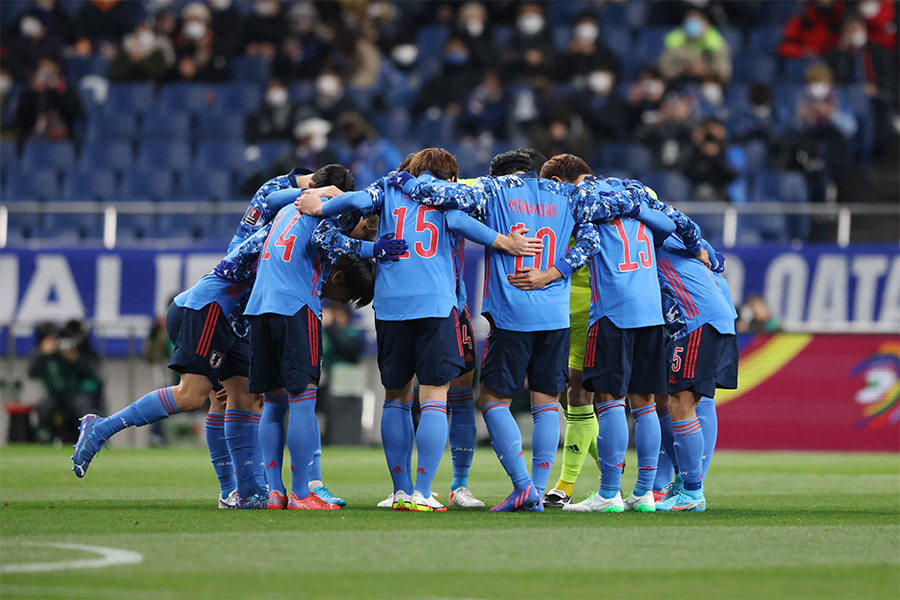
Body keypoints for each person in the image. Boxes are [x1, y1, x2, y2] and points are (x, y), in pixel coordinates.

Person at [386, 151, 661, 512]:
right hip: (557, 315)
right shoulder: (565, 194)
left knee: (492, 400)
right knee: (548, 403)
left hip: (512, 312)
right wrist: (554, 272)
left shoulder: (494, 190)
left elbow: (448, 203)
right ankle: (546, 487)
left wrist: (403, 180)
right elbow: (592, 243)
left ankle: (522, 486)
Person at [298, 148, 541, 512]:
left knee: (396, 399)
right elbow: (460, 223)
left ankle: (400, 491)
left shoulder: (390, 186)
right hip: (438, 304)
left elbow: (358, 199)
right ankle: (425, 492)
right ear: (449, 174)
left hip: (392, 306)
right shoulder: (449, 195)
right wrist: (505, 242)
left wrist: (320, 207)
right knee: (436, 398)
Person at [241, 191, 382, 510]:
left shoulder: (289, 209)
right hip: (295, 306)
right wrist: (375, 248)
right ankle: (303, 493)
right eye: (362, 231)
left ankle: (275, 492)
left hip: (260, 305)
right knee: (303, 402)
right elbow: (329, 236)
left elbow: (270, 197)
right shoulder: (343, 214)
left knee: (273, 405)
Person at [652, 239, 738, 512]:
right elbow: (713, 256)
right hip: (697, 315)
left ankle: (692, 488)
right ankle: (682, 483)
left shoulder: (660, 230)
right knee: (671, 398)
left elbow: (707, 250)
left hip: (697, 317)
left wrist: (708, 254)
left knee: (685, 401)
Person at [29, 321, 104, 444]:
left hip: (79, 393)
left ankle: (91, 441)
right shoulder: (48, 353)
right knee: (44, 409)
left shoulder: (82, 351)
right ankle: (45, 440)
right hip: (57, 395)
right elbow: (32, 372)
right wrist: (42, 353)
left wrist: (75, 359)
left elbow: (93, 373)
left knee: (83, 409)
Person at [14, 57, 82, 148]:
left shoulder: (65, 91)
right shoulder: (28, 94)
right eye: (42, 73)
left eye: (49, 73)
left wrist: (60, 92)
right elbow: (22, 120)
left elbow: (74, 113)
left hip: (61, 138)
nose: (46, 77)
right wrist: (35, 93)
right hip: (34, 137)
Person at [659, 7, 732, 84]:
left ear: (705, 22)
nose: (692, 24)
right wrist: (683, 69)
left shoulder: (716, 42)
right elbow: (664, 68)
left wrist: (704, 70)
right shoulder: (676, 39)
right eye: (689, 21)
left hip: (707, 82)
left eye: (696, 20)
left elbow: (724, 72)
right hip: (680, 82)